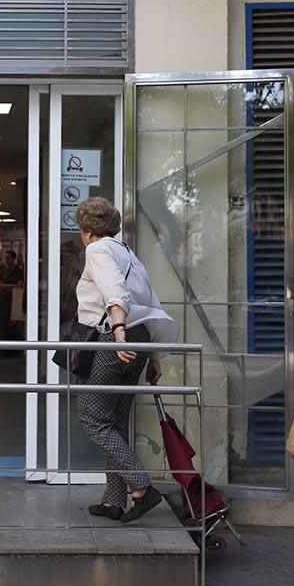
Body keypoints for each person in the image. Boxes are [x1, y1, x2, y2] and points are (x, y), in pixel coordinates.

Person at [73, 196, 178, 524]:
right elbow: (150, 300)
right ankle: (112, 500)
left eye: (80, 229)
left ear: (88, 230)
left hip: (115, 338)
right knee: (114, 421)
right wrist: (154, 356)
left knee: (92, 417)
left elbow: (114, 292)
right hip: (140, 338)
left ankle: (142, 487)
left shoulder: (97, 249)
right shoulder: (127, 252)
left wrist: (118, 333)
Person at [0, 249, 24, 338]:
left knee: (14, 323)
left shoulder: (19, 272)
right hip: (3, 300)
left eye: (8, 258)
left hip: (15, 300)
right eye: (5, 258)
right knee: (3, 322)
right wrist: (12, 285)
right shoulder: (3, 271)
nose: (6, 260)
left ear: (13, 258)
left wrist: (5, 286)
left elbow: (19, 286)